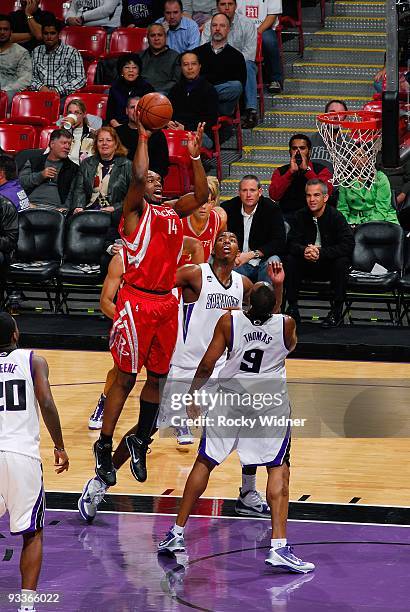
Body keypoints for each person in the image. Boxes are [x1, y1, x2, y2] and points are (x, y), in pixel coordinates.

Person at [157, 277, 315, 575]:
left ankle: (175, 533)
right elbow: (284, 337)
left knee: (204, 462)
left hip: (228, 400)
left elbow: (206, 365)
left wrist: (192, 396)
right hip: (267, 403)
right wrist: (279, 290)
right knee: (278, 467)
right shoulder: (287, 324)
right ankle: (279, 547)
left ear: (247, 303)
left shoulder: (229, 322)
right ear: (273, 307)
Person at [91, 116, 208, 488]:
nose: (155, 184)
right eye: (150, 181)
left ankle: (140, 439)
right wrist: (143, 136)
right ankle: (104, 445)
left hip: (165, 305)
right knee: (125, 380)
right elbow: (139, 177)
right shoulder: (134, 213)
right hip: (136, 302)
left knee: (158, 379)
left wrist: (195, 158)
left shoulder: (173, 212)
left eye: (160, 181)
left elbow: (202, 196)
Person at [157, 237, 283, 519]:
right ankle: (101, 482)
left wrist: (277, 286)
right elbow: (157, 286)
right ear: (212, 248)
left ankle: (248, 492)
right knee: (149, 429)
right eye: (222, 239)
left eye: (233, 240)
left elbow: (271, 317)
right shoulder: (194, 273)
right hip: (187, 370)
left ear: (239, 253)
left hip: (221, 372)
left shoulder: (243, 285)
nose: (227, 242)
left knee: (246, 430)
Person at [0, 313, 69, 611]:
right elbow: (47, 402)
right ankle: (26, 606)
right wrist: (60, 445)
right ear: (15, 334)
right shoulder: (33, 360)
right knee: (32, 533)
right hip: (21, 455)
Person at [286, 179, 354, 327]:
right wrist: (304, 250)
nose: (312, 199)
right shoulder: (299, 216)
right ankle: (292, 308)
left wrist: (321, 253)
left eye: (316, 195)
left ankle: (336, 311)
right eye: (308, 195)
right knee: (291, 259)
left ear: (325, 197)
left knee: (342, 262)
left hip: (327, 264)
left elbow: (347, 245)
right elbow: (290, 243)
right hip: (306, 263)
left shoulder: (336, 217)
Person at [201, 0, 258, 128]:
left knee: (248, 65)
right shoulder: (210, 25)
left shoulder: (247, 24)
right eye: (222, 4)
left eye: (230, 4)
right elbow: (203, 51)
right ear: (217, 6)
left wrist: (229, 62)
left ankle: (250, 111)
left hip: (239, 67)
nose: (226, 8)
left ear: (236, 6)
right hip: (214, 70)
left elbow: (249, 54)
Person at [222, 174, 286, 283]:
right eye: (244, 190)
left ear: (260, 192)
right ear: (239, 192)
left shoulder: (271, 209)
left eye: (252, 190)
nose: (248, 195)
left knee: (273, 262)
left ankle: (267, 298)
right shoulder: (228, 208)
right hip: (238, 262)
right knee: (225, 264)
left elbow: (279, 242)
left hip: (263, 260)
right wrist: (232, 255)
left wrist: (252, 254)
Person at [269, 133, 333, 227]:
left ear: (309, 151)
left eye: (302, 148)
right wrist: (290, 173)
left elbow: (327, 192)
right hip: (287, 217)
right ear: (290, 151)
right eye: (294, 148)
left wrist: (307, 171)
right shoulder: (280, 171)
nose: (298, 152)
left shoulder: (321, 169)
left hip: (314, 215)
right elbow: (274, 195)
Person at [194, 13, 247, 117]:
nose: (217, 29)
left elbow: (239, 87)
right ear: (210, 28)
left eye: (222, 26)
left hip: (221, 105)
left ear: (228, 29)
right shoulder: (197, 53)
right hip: (201, 95)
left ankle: (204, 104)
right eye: (214, 25)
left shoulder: (237, 56)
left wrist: (209, 90)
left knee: (236, 86)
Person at [72, 127, 132, 214]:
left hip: (114, 213)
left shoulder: (127, 165)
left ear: (116, 145)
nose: (104, 143)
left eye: (109, 140)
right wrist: (79, 207)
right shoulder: (86, 163)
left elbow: (133, 196)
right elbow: (79, 189)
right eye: (100, 140)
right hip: (89, 210)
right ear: (96, 144)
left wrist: (115, 208)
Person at [19, 128, 78, 212]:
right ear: (52, 144)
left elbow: (73, 193)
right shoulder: (34, 161)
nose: (67, 147)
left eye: (69, 144)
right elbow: (21, 183)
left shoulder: (73, 168)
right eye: (64, 143)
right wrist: (41, 175)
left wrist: (65, 208)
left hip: (55, 209)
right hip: (30, 205)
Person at [168, 50, 218, 148]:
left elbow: (211, 120)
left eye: (193, 64)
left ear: (199, 66)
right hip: (176, 132)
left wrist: (186, 128)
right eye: (185, 64)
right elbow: (169, 113)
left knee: (183, 143)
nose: (190, 68)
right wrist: (169, 122)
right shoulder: (175, 89)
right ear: (181, 68)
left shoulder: (209, 89)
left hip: (200, 134)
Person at [30, 16, 86, 103]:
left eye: (52, 33)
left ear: (58, 34)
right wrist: (40, 87)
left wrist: (57, 90)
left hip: (64, 96)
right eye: (45, 33)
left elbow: (79, 79)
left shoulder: (71, 52)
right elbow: (29, 76)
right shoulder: (36, 51)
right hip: (39, 94)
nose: (49, 37)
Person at [236, 0, 282, 94]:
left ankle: (275, 79)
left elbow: (272, 16)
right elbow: (234, 12)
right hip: (241, 27)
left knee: (268, 41)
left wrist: (257, 32)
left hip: (264, 28)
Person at [115, 96, 169, 176]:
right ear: (126, 111)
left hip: (148, 179)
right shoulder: (116, 132)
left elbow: (162, 167)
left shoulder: (157, 134)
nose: (136, 111)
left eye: (140, 108)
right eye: (132, 107)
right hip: (120, 178)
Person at [179, 175, 226, 265]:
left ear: (212, 203)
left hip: (202, 273)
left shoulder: (218, 219)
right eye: (200, 202)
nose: (203, 207)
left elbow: (222, 244)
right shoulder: (179, 220)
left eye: (207, 202)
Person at [337, 162, 398, 226]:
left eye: (362, 155)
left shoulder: (380, 178)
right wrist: (344, 224)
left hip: (382, 218)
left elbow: (382, 209)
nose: (357, 158)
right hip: (354, 220)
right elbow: (342, 208)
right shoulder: (344, 179)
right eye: (355, 154)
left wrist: (366, 225)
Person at [106, 54, 154, 128]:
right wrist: (119, 127)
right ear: (121, 71)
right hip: (118, 127)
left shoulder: (147, 88)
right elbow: (110, 115)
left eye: (134, 67)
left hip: (140, 128)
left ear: (139, 71)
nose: (131, 70)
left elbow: (151, 114)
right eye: (127, 67)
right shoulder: (115, 88)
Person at [139, 23, 181, 95]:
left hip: (165, 96)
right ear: (147, 38)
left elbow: (176, 81)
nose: (156, 38)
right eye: (152, 35)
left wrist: (155, 93)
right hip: (142, 95)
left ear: (165, 37)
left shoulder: (176, 57)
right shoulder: (139, 56)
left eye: (160, 35)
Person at [0, 15, 32, 106]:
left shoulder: (21, 53)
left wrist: (4, 91)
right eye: (0, 29)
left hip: (8, 93)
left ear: (11, 32)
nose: (2, 32)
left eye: (5, 29)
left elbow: (25, 79)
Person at [309, 99, 348, 174]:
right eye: (332, 112)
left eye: (340, 113)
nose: (336, 116)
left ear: (344, 118)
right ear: (325, 116)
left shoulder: (350, 145)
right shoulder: (311, 140)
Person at [61, 98, 95, 166]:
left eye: (76, 113)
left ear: (84, 114)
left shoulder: (92, 135)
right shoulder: (61, 134)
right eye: (70, 113)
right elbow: (49, 155)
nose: (73, 116)